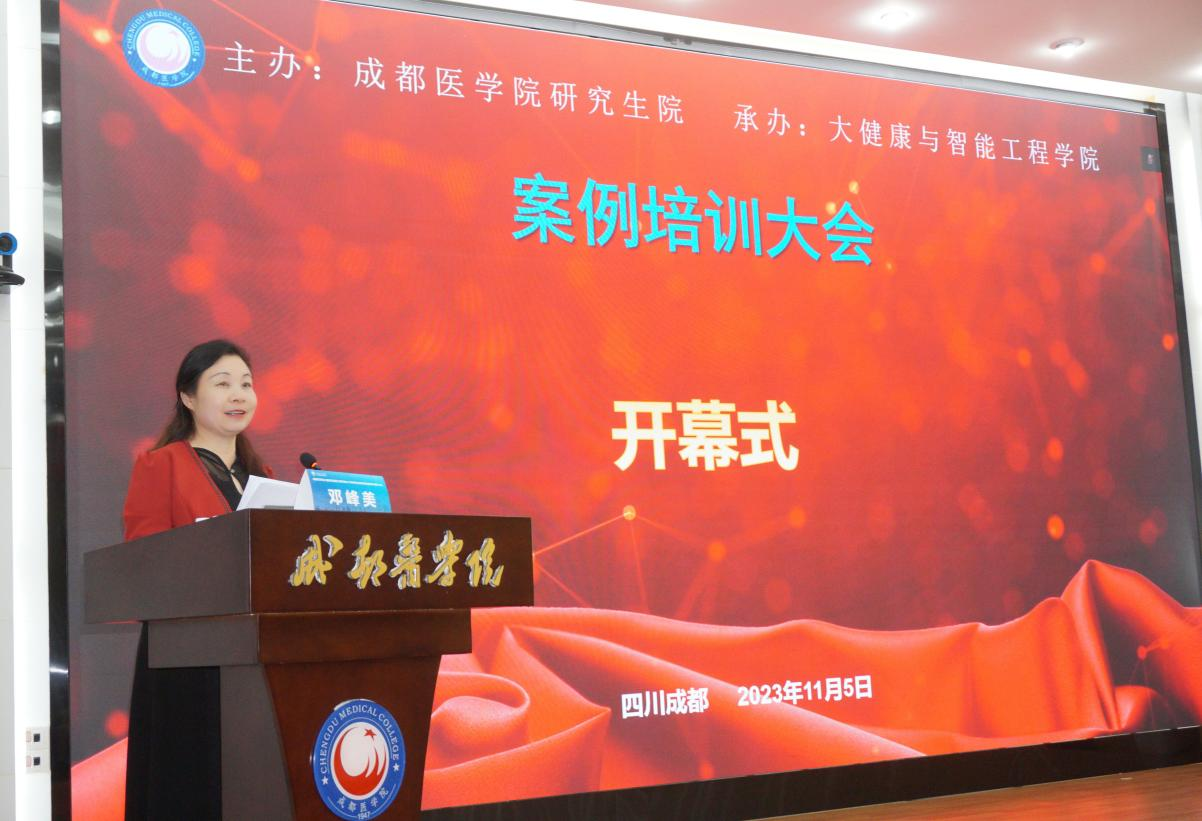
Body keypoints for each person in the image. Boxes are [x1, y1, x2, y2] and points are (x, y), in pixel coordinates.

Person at [121, 339, 272, 820]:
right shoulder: (160, 463)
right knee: (191, 784)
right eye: (222, 384)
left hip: (253, 656)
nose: (239, 395)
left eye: (246, 384)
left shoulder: (262, 476)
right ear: (188, 397)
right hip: (186, 657)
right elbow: (143, 560)